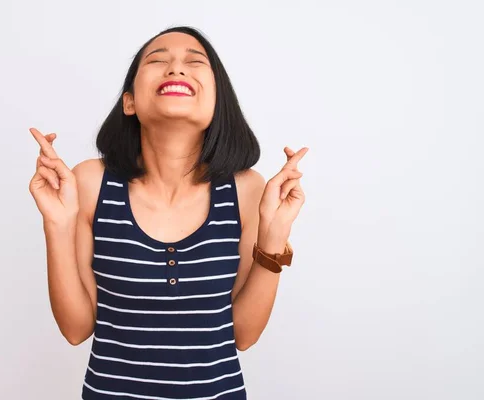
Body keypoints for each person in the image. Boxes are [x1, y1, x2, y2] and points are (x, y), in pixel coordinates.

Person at [28, 25, 308, 400]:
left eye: (194, 63)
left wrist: (275, 237)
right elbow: (76, 329)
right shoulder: (92, 183)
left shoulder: (246, 190)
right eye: (158, 60)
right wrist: (57, 224)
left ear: (216, 102)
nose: (176, 69)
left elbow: (244, 334)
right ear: (129, 102)